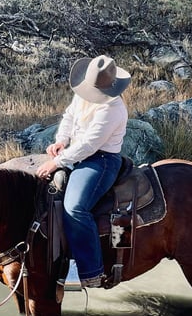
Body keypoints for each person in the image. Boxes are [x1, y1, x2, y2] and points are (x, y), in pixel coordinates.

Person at [36, 55, 131, 288]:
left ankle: (89, 271)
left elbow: (90, 144)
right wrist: (61, 140)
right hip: (77, 154)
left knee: (75, 208)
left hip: (101, 161)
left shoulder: (114, 108)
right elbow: (69, 116)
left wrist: (57, 163)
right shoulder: (84, 92)